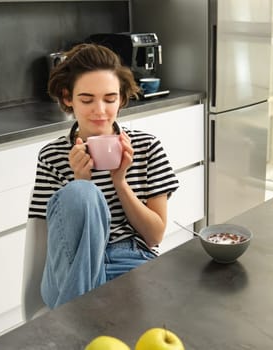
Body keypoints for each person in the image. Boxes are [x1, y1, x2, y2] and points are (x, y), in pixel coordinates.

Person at [28, 43, 179, 309]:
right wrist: (80, 183)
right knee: (80, 193)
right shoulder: (52, 156)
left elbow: (155, 236)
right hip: (69, 265)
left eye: (109, 99)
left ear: (121, 99)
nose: (100, 110)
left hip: (129, 259)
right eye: (87, 99)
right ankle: (82, 314)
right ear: (67, 98)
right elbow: (55, 239)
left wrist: (120, 181)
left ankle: (72, 320)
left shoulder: (146, 147)